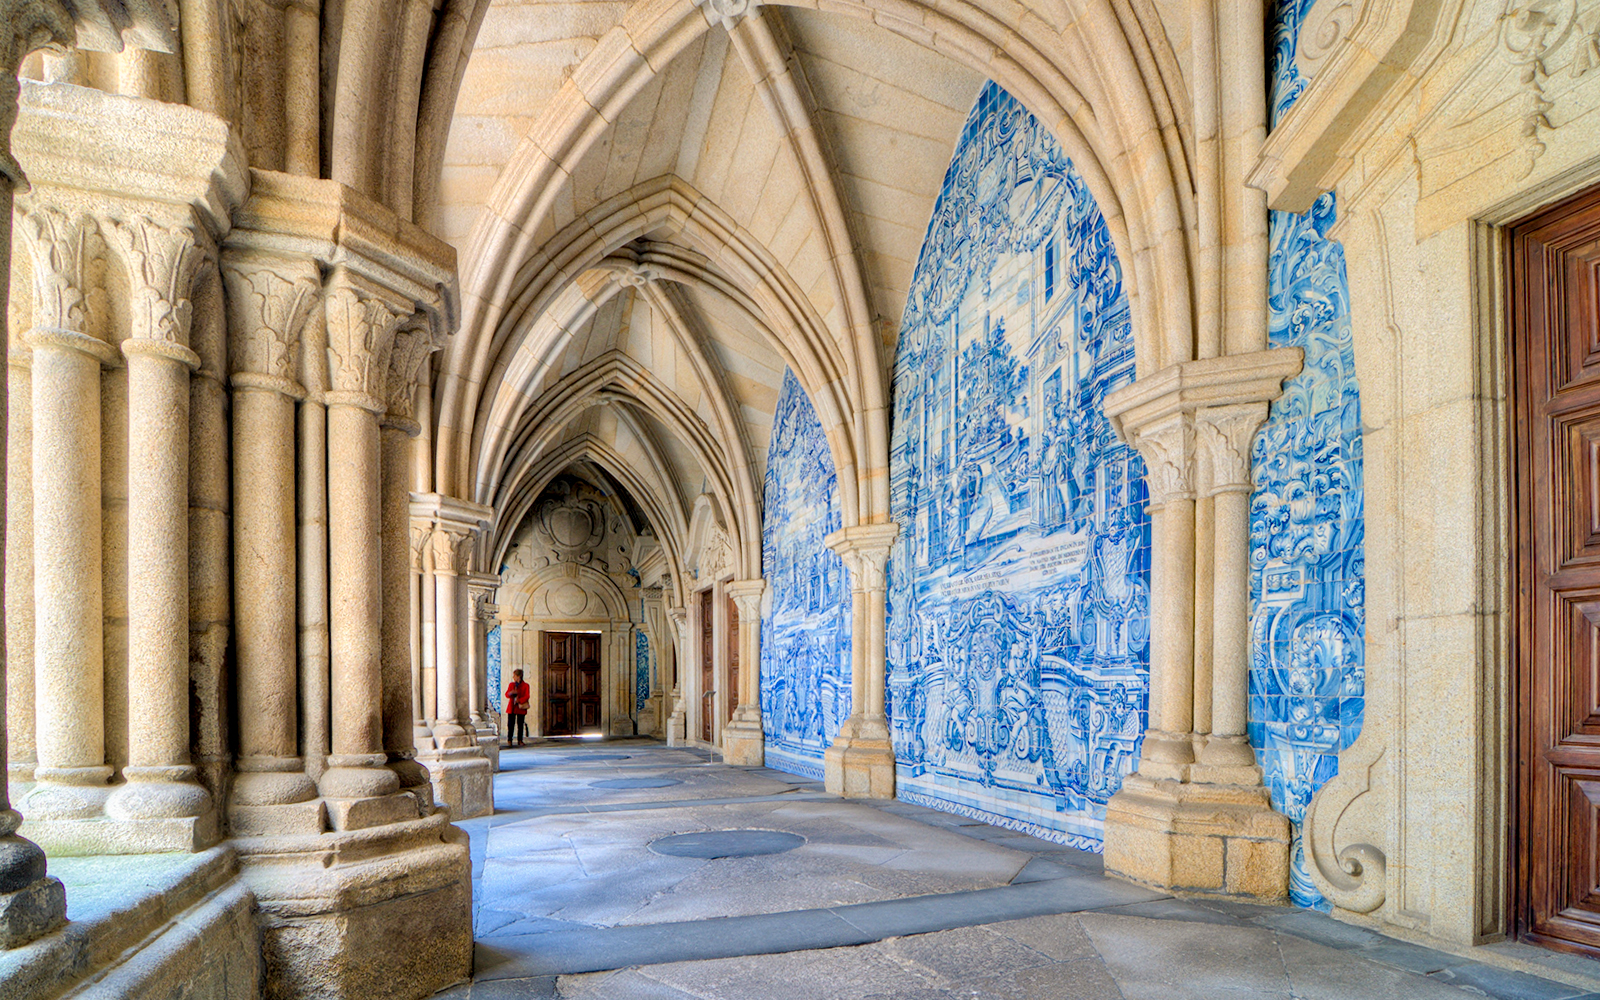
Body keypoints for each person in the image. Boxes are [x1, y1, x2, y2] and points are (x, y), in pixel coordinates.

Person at [505, 669, 531, 747]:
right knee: (510, 724)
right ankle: (509, 740)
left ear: (518, 676)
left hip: (520, 707)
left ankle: (520, 740)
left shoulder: (526, 685)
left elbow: (527, 696)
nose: (513, 677)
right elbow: (506, 694)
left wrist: (519, 700)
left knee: (520, 724)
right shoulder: (511, 685)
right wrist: (511, 693)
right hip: (512, 707)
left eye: (515, 676)